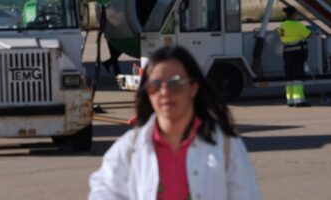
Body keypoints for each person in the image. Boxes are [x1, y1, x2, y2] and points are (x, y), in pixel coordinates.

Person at [89, 46, 261, 199]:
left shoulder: (226, 146)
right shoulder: (130, 148)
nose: (164, 92)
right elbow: (103, 190)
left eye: (175, 83)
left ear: (193, 87)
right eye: (155, 85)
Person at [277, 6, 312, 107]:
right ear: (293, 14)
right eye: (296, 14)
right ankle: (299, 101)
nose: (297, 15)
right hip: (297, 54)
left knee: (289, 77)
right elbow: (308, 35)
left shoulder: (282, 25)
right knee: (298, 77)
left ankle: (290, 100)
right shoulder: (298, 25)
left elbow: (283, 35)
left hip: (287, 54)